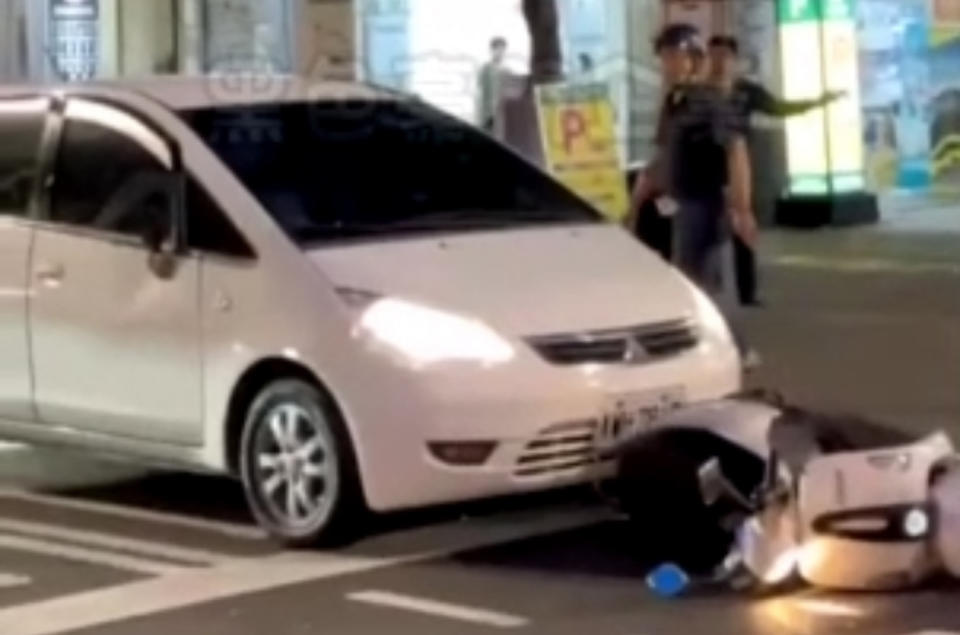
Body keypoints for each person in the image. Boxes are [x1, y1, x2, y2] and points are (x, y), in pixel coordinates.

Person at [633, 23, 758, 365]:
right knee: (692, 278)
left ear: (693, 58)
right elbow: (664, 154)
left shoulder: (709, 100)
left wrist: (742, 208)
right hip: (680, 202)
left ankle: (736, 350)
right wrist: (640, 194)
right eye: (664, 57)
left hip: (706, 203)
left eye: (675, 56)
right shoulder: (674, 101)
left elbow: (737, 151)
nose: (667, 64)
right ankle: (716, 348)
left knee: (708, 283)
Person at [707, 35, 843, 306]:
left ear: (735, 61)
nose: (720, 62)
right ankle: (706, 289)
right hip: (702, 168)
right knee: (704, 230)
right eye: (715, 56)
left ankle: (747, 292)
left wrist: (816, 102)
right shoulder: (697, 92)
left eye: (725, 56)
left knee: (743, 226)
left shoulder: (746, 91)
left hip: (737, 167)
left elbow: (778, 108)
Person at [477, 37, 509, 132]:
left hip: (502, 115)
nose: (500, 52)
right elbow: (479, 92)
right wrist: (480, 117)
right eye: (497, 49)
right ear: (492, 50)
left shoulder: (507, 71)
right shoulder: (486, 69)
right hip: (487, 115)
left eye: (502, 50)